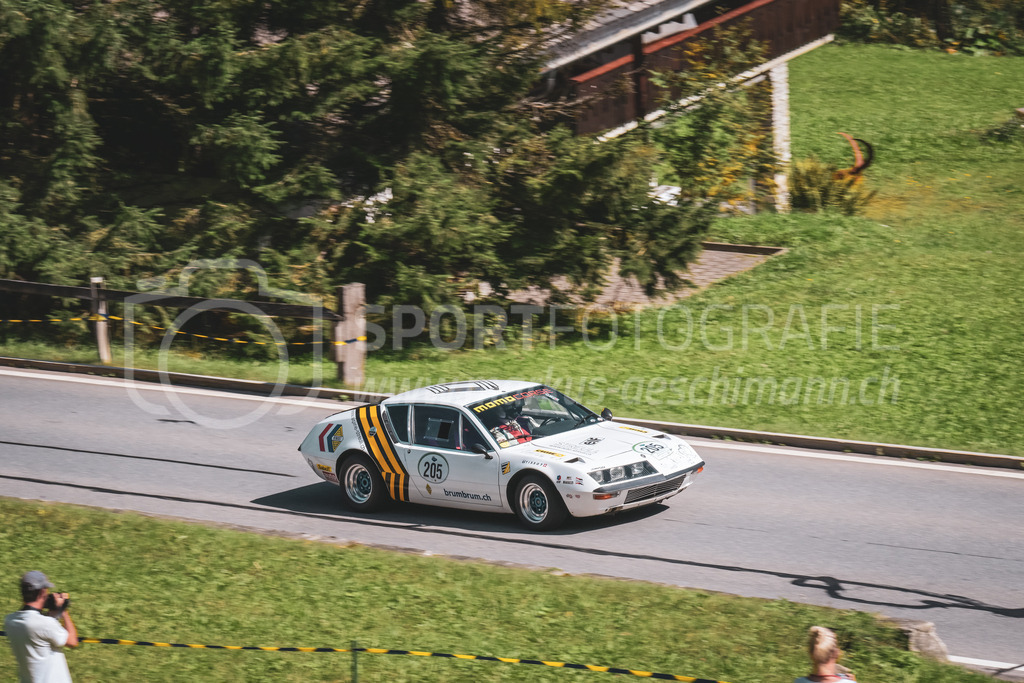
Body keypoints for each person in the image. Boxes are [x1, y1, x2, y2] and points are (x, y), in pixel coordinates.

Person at [4, 570, 78, 683]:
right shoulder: (45, 624)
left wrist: (52, 613)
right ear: (43, 591)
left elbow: (40, 632)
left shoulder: (10, 621)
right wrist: (63, 610)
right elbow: (72, 641)